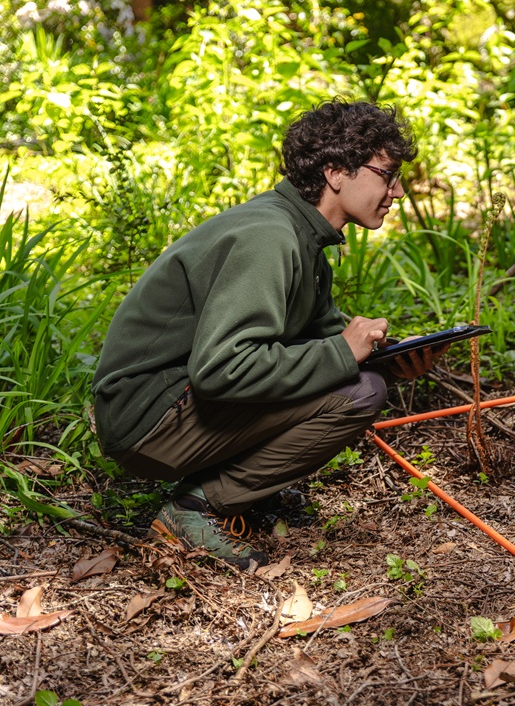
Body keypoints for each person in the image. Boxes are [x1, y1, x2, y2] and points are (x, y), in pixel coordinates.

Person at [92, 100, 445, 570]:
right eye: (388, 174)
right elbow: (222, 369)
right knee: (361, 392)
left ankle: (231, 490)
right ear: (336, 171)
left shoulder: (304, 239)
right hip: (147, 419)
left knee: (364, 379)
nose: (397, 191)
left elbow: (313, 348)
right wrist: (345, 352)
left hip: (170, 401)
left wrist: (388, 360)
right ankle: (194, 510)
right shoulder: (270, 236)